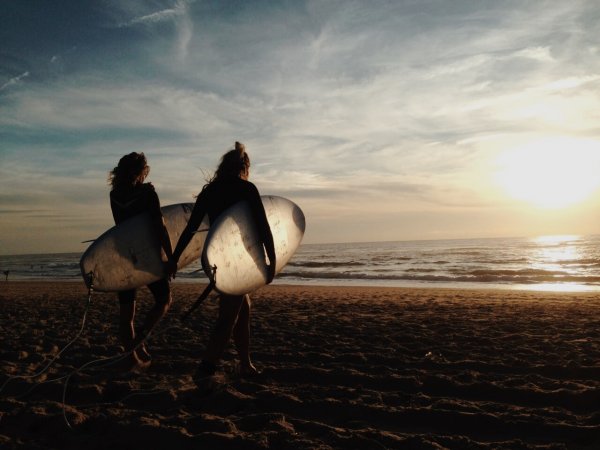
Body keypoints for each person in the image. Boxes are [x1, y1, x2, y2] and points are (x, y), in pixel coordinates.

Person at [168, 141, 276, 381]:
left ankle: (245, 364)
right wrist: (271, 261)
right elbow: (263, 227)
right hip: (236, 260)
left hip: (215, 259)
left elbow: (190, 230)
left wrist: (175, 259)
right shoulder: (246, 189)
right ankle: (205, 369)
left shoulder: (210, 191)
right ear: (244, 167)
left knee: (243, 309)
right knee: (228, 317)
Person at [109, 152, 174, 369]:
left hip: (124, 256)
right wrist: (170, 256)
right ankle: (140, 340)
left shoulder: (114, 195)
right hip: (146, 256)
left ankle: (132, 358)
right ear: (141, 171)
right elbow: (159, 226)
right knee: (164, 299)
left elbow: (123, 226)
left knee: (127, 313)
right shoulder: (147, 193)